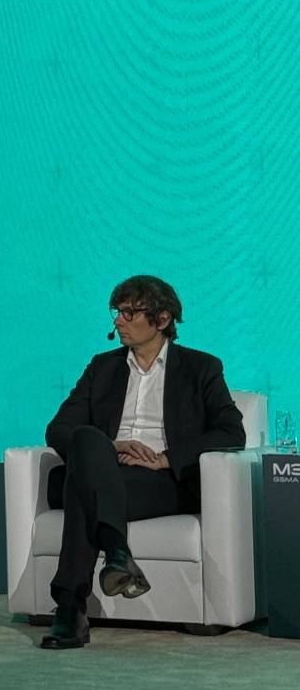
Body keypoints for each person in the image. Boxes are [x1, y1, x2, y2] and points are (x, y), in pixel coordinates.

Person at [39, 274, 244, 650]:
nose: (119, 321)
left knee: (80, 491)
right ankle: (117, 554)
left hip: (162, 481)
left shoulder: (201, 368)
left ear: (162, 319)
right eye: (117, 312)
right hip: (108, 469)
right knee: (86, 438)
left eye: (129, 313)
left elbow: (231, 432)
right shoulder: (102, 368)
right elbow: (59, 429)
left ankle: (69, 609)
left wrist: (166, 459)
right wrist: (111, 448)